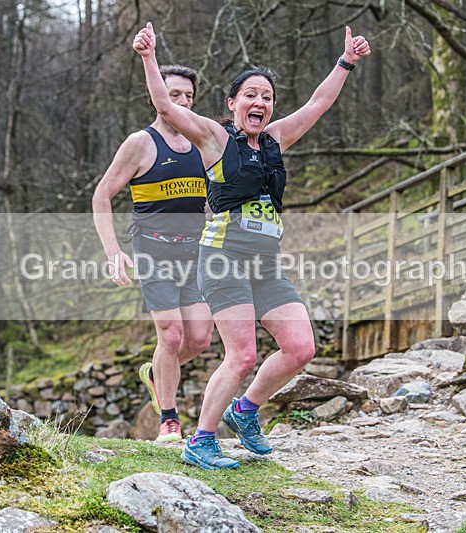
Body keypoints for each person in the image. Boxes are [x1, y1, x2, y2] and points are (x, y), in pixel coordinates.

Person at [133, 22, 370, 469]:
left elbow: (319, 104)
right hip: (223, 259)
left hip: (266, 264)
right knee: (242, 355)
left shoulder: (277, 140)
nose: (259, 102)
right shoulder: (215, 138)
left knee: (301, 347)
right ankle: (200, 441)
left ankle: (245, 411)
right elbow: (164, 103)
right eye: (250, 95)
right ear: (233, 103)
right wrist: (148, 56)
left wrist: (346, 63)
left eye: (266, 97)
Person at [92, 65, 214, 442]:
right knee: (171, 333)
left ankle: (155, 372)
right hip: (152, 251)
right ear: (157, 97)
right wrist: (113, 252)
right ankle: (169, 419)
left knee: (200, 340)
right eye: (174, 95)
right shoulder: (140, 144)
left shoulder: (202, 144)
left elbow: (207, 202)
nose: (182, 103)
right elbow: (101, 195)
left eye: (188, 97)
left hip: (194, 254)